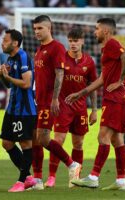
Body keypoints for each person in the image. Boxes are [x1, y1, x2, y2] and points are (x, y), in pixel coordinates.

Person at [66, 18, 125, 190]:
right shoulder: (107, 50)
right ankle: (121, 181)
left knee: (102, 137)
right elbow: (102, 79)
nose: (94, 32)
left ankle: (94, 177)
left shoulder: (111, 44)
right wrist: (81, 93)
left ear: (106, 31)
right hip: (120, 98)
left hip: (115, 98)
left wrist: (119, 81)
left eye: (96, 29)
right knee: (117, 140)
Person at [32, 15, 81, 189]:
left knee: (43, 139)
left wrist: (54, 99)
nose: (36, 31)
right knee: (36, 140)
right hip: (38, 100)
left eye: (40, 28)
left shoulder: (56, 48)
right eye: (35, 28)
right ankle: (37, 179)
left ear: (49, 28)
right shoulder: (39, 49)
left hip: (49, 101)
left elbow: (60, 74)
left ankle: (71, 164)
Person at [44, 28, 98, 188]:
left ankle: (75, 178)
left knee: (78, 143)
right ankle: (52, 177)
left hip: (80, 108)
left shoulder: (89, 62)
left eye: (76, 41)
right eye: (71, 41)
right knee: (58, 141)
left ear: (82, 41)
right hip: (63, 106)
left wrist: (94, 110)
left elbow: (92, 86)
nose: (73, 44)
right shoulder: (61, 59)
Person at [0, 29, 37, 192]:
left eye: (5, 40)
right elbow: (10, 84)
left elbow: (26, 83)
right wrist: (2, 75)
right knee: (6, 143)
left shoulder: (23, 57)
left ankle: (22, 181)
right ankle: (28, 177)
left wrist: (8, 77)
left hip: (25, 109)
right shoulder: (10, 59)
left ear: (15, 43)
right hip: (12, 108)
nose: (2, 42)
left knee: (26, 144)